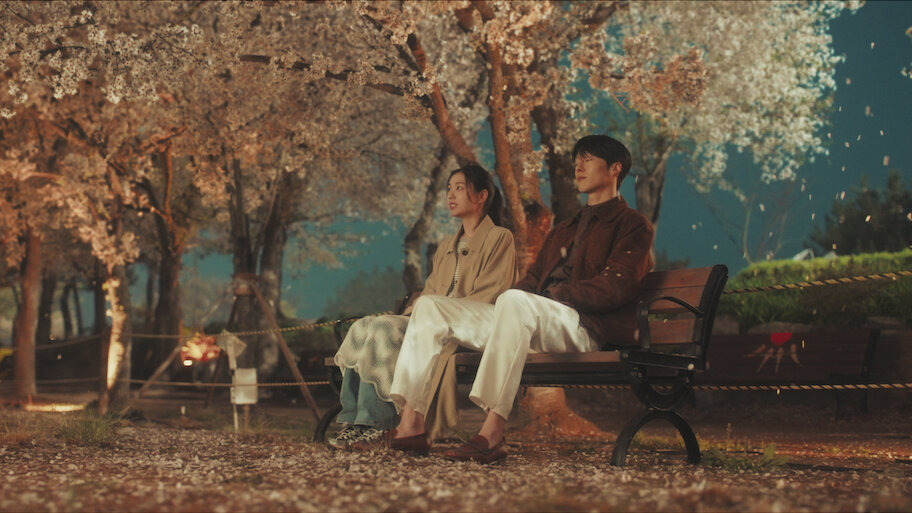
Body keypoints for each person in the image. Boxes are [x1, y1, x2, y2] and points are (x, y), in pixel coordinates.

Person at [388, 135, 654, 463]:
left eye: (588, 159)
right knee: (431, 307)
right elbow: (531, 280)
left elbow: (617, 286)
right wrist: (508, 305)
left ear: (615, 169)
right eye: (576, 160)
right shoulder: (565, 229)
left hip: (586, 327)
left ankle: (492, 432)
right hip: (532, 320)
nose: (578, 167)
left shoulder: (632, 225)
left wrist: (555, 296)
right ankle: (411, 424)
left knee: (515, 301)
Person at [329, 164, 517, 448]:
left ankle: (376, 423)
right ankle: (356, 420)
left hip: (468, 324)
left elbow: (492, 293)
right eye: (449, 189)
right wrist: (410, 313)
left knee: (385, 330)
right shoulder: (446, 245)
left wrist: (439, 309)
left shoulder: (500, 238)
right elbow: (430, 291)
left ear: (482, 196)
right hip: (429, 319)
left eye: (459, 188)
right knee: (366, 325)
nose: (451, 195)